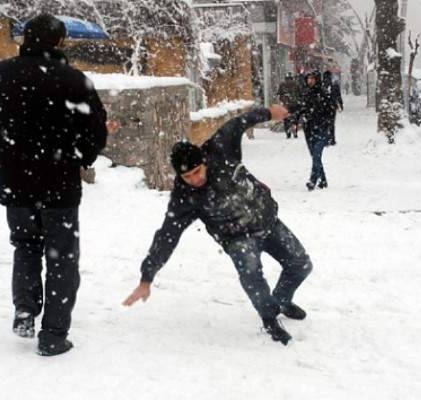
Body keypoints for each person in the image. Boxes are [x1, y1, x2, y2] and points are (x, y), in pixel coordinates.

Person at [0, 14, 109, 357]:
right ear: (60, 42)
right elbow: (96, 131)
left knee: (26, 245)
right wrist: (81, 157)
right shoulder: (75, 81)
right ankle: (54, 335)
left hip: (16, 182)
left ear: (25, 39)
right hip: (59, 183)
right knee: (62, 257)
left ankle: (26, 309)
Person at [123, 105, 314, 346]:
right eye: (187, 177)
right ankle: (269, 318)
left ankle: (282, 300)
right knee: (252, 275)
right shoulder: (185, 198)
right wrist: (147, 276)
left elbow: (240, 121)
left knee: (301, 265)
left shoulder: (221, 147)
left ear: (204, 161)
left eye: (196, 171)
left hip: (267, 221)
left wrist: (269, 113)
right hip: (236, 238)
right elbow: (167, 236)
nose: (194, 179)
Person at [296, 70, 332, 191]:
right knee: (315, 156)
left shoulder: (323, 94)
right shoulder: (305, 93)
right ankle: (323, 179)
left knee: (316, 154)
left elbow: (329, 113)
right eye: (308, 79)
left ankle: (313, 180)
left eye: (312, 79)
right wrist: (295, 122)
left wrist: (328, 129)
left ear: (317, 79)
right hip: (309, 129)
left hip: (321, 129)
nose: (310, 81)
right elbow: (300, 109)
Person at [276, 72, 301, 139]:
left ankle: (288, 133)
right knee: (295, 119)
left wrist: (282, 100)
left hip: (286, 105)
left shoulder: (282, 84)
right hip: (295, 104)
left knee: (286, 119)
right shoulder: (296, 84)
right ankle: (295, 131)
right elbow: (300, 94)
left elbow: (279, 94)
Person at [323, 70, 344, 146]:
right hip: (332, 107)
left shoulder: (321, 86)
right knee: (331, 123)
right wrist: (340, 105)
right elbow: (338, 96)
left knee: (324, 124)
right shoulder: (334, 86)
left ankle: (326, 139)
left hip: (323, 107)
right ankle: (332, 139)